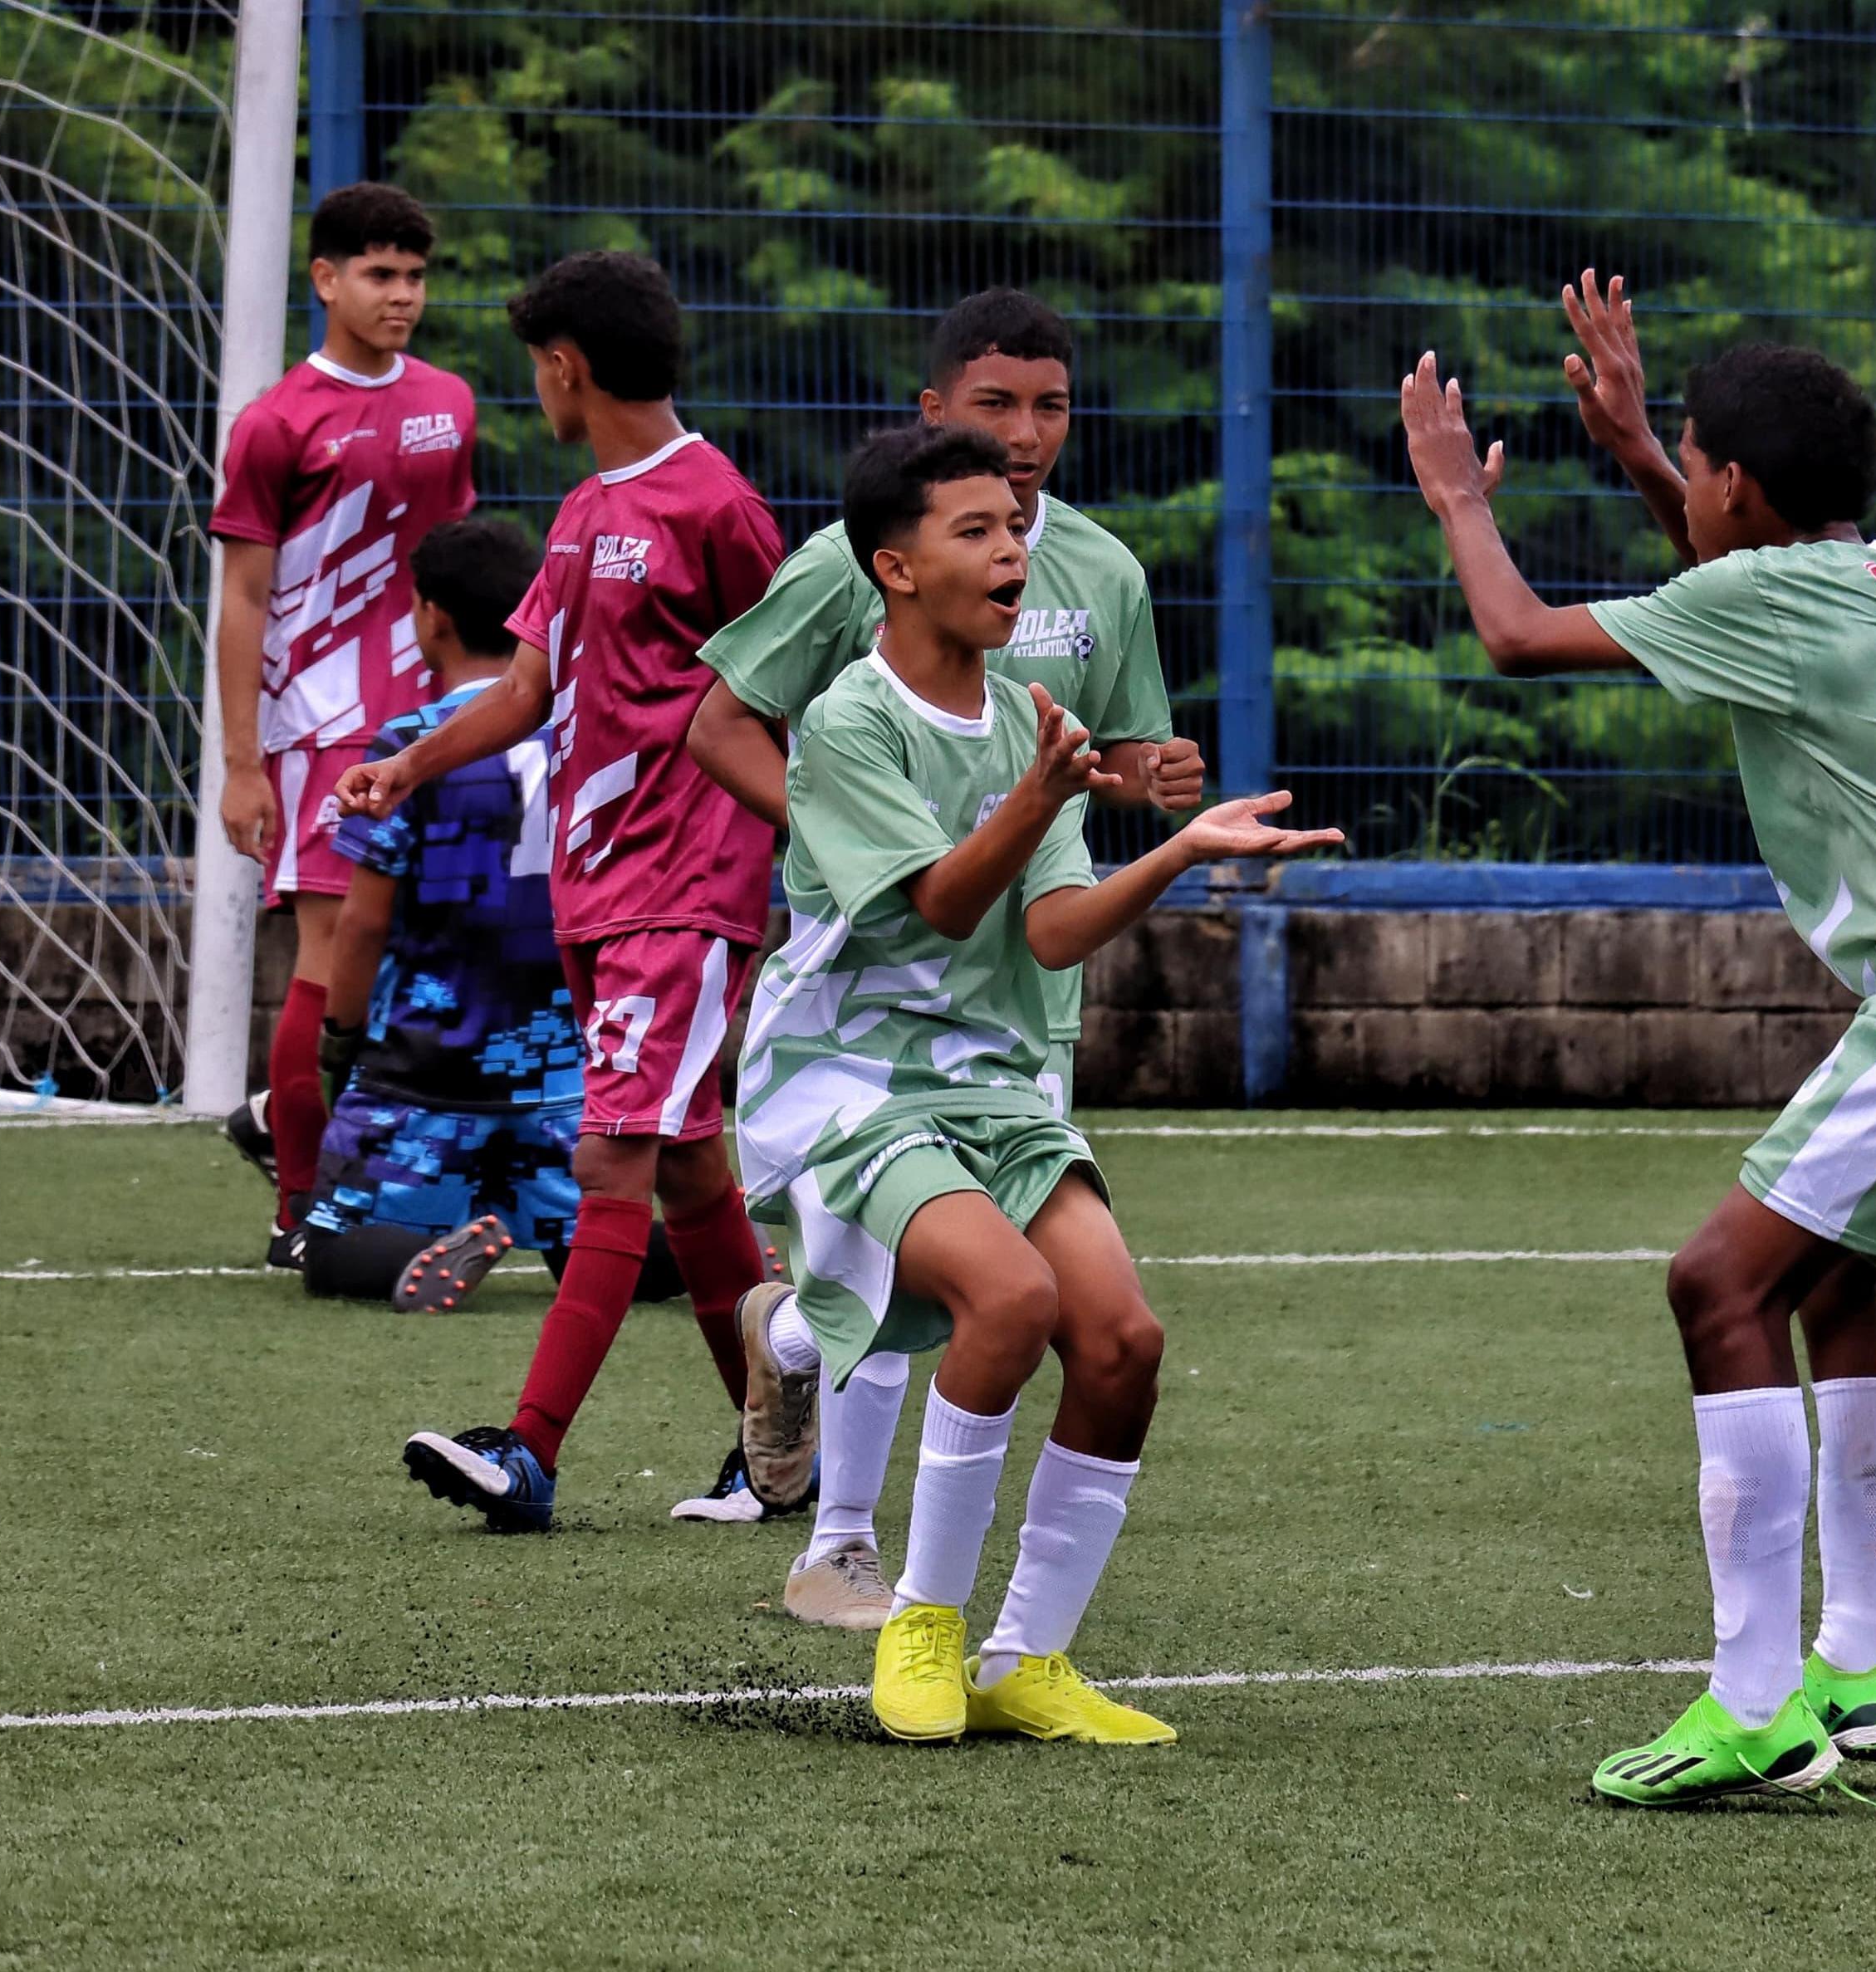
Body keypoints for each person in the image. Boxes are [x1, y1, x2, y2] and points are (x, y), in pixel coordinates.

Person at [1403, 300, 1876, 1806]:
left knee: (1715, 1283)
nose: (1682, 474)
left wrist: (1462, 503)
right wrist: (1627, 450)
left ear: (1735, 483)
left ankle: (1752, 1704)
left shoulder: (1775, 597)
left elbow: (1515, 632)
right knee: (1831, 1275)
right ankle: (1858, 1671)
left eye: (1687, 455)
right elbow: (1736, 573)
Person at [732, 422, 1338, 1744]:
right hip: (854, 1078)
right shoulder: (846, 721)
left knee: (1121, 1340)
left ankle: (1029, 1658)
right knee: (1006, 1297)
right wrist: (1040, 789)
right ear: (893, 566)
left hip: (991, 1079)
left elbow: (1050, 927)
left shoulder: (1028, 718)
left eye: (1016, 529)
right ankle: (922, 1624)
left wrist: (1177, 846)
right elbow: (946, 907)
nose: (1013, 549)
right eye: (976, 531)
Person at [686, 290, 1207, 1627]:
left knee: (1076, 1316)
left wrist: (1172, 817)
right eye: (994, 411)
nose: (1025, 444)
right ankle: (854, 1555)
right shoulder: (858, 596)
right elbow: (733, 730)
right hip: (859, 1045)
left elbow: (1079, 816)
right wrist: (858, 828)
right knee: (986, 1280)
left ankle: (1015, 1642)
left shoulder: (1098, 587)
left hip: (1009, 1021)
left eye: (1049, 409)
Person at [336, 251, 786, 1531]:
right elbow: (530, 690)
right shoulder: (587, 512)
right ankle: (776, 1454)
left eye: (535, 366)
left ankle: (527, 1451)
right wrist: (407, 763)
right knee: (692, 1170)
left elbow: (788, 688)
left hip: (686, 889)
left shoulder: (718, 508)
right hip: (601, 893)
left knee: (613, 1155)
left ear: (564, 367)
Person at [207, 182, 478, 1266]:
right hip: (319, 725)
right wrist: (240, 763)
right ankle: (299, 1210)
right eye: (378, 274)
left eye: (414, 275)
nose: (401, 295)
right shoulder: (275, 423)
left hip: (435, 717)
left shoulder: (450, 401)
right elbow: (243, 597)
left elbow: (461, 570)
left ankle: (347, 1151)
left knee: (430, 947)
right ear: (324, 281)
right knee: (331, 952)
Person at [298, 517, 585, 1310]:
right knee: (596, 1248)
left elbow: (359, 924)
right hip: (560, 1082)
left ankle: (415, 1254)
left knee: (325, 1246)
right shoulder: (577, 734)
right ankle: (678, 1251)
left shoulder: (409, 742)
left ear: (432, 615)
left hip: (426, 1074)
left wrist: (342, 1039)